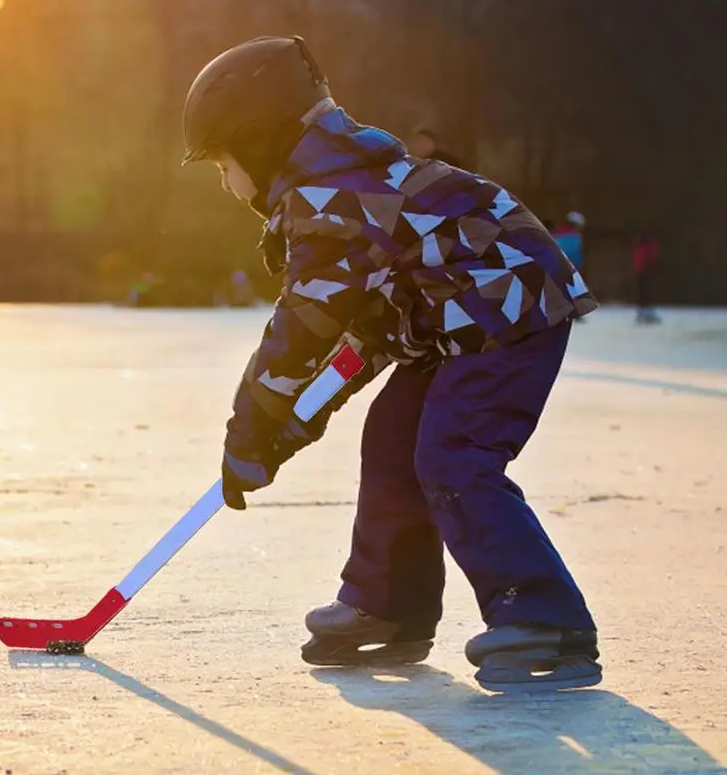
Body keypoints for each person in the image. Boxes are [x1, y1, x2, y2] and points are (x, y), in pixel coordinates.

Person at [181, 36, 601, 692]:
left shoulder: (330, 202)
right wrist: (286, 431)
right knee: (393, 442)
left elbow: (303, 329)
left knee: (453, 452)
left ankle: (544, 615)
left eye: (223, 163)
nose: (226, 184)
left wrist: (251, 426)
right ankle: (388, 606)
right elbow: (358, 344)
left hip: (508, 308)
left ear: (259, 143)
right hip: (453, 323)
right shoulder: (342, 193)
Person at [632, 232, 662, 324]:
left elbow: (651, 258)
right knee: (644, 293)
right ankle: (644, 312)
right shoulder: (643, 247)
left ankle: (646, 312)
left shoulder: (646, 247)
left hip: (646, 271)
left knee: (646, 293)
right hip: (642, 271)